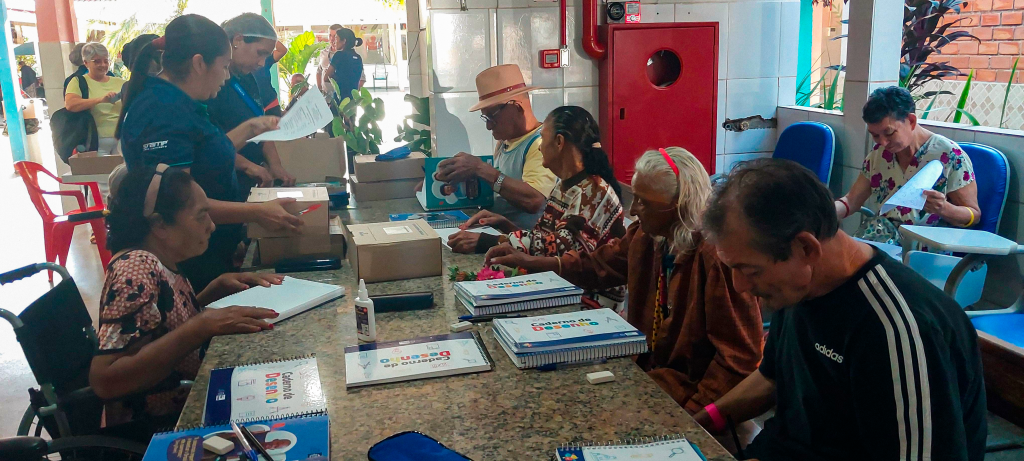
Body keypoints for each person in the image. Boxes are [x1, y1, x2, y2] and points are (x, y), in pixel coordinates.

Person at [697, 158, 987, 460]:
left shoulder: (896, 329)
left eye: (750, 271)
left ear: (806, 248)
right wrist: (698, 424)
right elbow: (770, 378)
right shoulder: (796, 288)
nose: (740, 285)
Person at [486, 147, 764, 416]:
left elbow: (737, 358)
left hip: (690, 393)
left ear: (677, 207)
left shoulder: (715, 258)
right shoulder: (646, 236)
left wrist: (696, 416)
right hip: (651, 373)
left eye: (644, 202)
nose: (635, 209)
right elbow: (597, 265)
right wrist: (530, 262)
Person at [117, 14, 303, 292]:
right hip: (183, 257)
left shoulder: (186, 104)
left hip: (209, 245)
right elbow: (179, 204)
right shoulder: (163, 111)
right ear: (199, 63)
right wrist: (256, 212)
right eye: (224, 67)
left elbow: (209, 152)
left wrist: (251, 127)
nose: (226, 76)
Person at [90, 165, 282, 429]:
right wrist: (201, 326)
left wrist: (212, 291)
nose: (211, 225)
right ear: (159, 224)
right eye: (201, 216)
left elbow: (158, 327)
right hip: (159, 426)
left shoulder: (159, 260)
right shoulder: (135, 269)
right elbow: (105, 381)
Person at [449, 106, 625, 258]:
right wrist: (503, 223)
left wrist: (490, 241)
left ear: (559, 142)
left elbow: (561, 250)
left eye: (543, 138)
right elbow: (541, 238)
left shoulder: (593, 192)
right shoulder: (564, 186)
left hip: (585, 288)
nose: (540, 147)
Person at [835, 86, 980, 246]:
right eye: (875, 135)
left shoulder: (949, 155)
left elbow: (973, 215)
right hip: (883, 239)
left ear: (911, 121)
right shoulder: (879, 154)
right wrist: (825, 213)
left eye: (889, 133)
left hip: (925, 246)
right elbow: (852, 200)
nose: (883, 142)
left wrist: (943, 208)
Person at [435, 64, 558, 231]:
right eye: (485, 118)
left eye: (491, 116)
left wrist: (481, 169)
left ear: (516, 107)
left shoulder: (540, 144)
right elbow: (500, 187)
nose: (488, 126)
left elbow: (534, 201)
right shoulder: (505, 142)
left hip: (525, 242)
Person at [208, 13, 296, 193]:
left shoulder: (249, 78)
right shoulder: (211, 84)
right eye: (260, 53)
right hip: (221, 181)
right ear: (237, 41)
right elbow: (208, 147)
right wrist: (247, 165)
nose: (262, 63)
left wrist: (275, 165)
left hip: (253, 182)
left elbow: (260, 125)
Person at [64, 43, 125, 156]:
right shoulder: (78, 81)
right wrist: (100, 100)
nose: (103, 65)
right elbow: (71, 104)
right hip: (95, 141)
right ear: (86, 62)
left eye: (106, 61)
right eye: (97, 61)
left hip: (123, 139)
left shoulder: (120, 82)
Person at [323, 26, 365, 106]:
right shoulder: (358, 57)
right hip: (353, 100)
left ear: (344, 41)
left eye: (336, 38)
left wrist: (335, 76)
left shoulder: (339, 55)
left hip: (340, 99)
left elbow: (326, 78)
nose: (334, 42)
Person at [316, 24, 344, 104]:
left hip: (343, 100)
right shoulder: (324, 53)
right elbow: (319, 71)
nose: (332, 39)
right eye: (330, 35)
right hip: (326, 100)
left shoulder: (347, 55)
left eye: (335, 36)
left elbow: (361, 79)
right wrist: (320, 89)